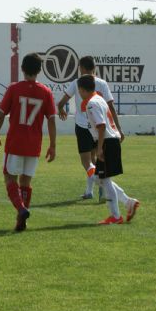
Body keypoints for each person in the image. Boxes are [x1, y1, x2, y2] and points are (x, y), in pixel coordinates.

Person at [0, 53, 56, 232]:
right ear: (39, 71)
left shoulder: (14, 88)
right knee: (25, 183)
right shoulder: (46, 92)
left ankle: (21, 209)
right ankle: (21, 220)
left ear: (22, 68)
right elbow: (51, 119)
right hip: (34, 144)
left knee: (9, 178)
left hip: (15, 142)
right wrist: (53, 145)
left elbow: (1, 115)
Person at [57, 55, 125, 201]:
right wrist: (118, 128)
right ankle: (90, 191)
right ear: (94, 67)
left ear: (81, 68)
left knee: (87, 163)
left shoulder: (77, 82)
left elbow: (62, 101)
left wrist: (61, 109)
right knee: (95, 160)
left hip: (83, 127)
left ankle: (105, 186)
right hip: (97, 128)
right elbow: (111, 107)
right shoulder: (102, 83)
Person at [77, 75, 140, 224]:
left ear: (81, 89)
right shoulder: (100, 99)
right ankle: (128, 202)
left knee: (104, 180)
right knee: (101, 178)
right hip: (111, 141)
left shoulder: (92, 103)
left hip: (106, 142)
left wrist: (99, 148)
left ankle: (116, 216)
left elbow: (101, 126)